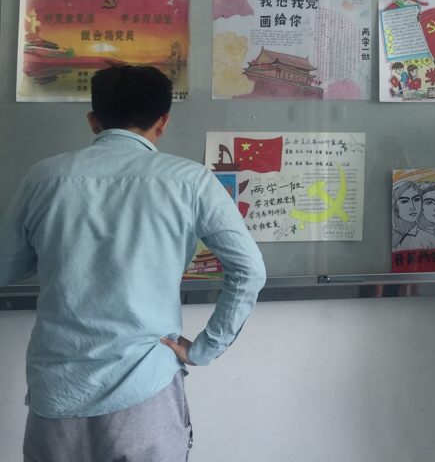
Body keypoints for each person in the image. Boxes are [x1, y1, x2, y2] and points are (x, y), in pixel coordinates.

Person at [0, 64, 267, 462]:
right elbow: (249, 271)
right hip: (146, 388)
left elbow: (6, 268)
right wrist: (204, 349)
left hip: (57, 390)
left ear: (93, 121)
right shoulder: (190, 181)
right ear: (163, 122)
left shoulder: (43, 178)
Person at [391, 180, 435, 250]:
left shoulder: (432, 240)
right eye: (404, 201)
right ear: (394, 205)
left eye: (416, 200)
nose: (412, 207)